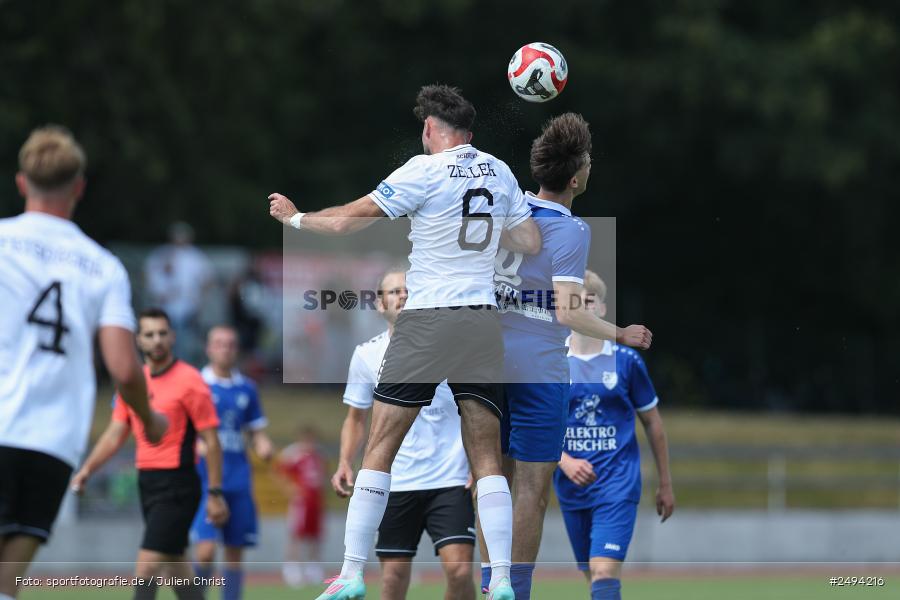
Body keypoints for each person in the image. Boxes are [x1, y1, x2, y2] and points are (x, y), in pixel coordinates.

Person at [268, 84, 541, 600]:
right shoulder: (500, 171)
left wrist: (296, 219)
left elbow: (346, 221)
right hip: (480, 321)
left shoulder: (423, 169)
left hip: (428, 319)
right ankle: (502, 578)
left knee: (380, 447)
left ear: (430, 129)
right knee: (486, 457)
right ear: (469, 133)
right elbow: (529, 240)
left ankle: (351, 574)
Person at [484, 113, 652, 599]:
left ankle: (488, 583)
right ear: (576, 179)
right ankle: (512, 591)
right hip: (538, 369)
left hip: (485, 359)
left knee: (493, 483)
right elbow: (569, 312)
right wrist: (622, 333)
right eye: (588, 161)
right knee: (530, 491)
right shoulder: (571, 229)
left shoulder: (509, 211)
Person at [0, 126, 166, 600]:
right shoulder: (102, 265)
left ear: (21, 182)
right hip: (52, 442)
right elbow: (124, 368)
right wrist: (149, 419)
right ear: (79, 187)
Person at [332, 268, 475, 600]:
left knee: (460, 571)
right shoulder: (366, 354)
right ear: (380, 304)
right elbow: (355, 418)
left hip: (450, 477)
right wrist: (344, 462)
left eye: (409, 290)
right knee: (393, 579)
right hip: (394, 481)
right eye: (394, 291)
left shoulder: (454, 349)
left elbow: (475, 411)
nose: (403, 295)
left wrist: (479, 463)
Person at [72, 308, 229, 600]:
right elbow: (115, 433)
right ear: (138, 340)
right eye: (149, 334)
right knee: (176, 568)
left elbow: (211, 440)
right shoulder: (133, 383)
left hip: (178, 485)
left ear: (172, 337)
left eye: (162, 333)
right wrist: (87, 470)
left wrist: (216, 492)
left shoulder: (190, 380)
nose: (157, 340)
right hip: (148, 483)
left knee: (147, 565)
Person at [554, 271, 675, 600]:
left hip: (617, 483)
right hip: (571, 486)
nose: (583, 307)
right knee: (592, 576)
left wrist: (665, 483)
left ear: (602, 309)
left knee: (603, 570)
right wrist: (564, 462)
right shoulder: (552, 361)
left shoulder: (626, 361)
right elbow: (538, 426)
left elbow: (653, 423)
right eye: (575, 301)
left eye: (589, 300)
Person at [191, 325, 274, 600]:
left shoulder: (247, 388)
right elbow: (183, 429)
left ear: (236, 350)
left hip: (238, 480)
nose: (225, 349)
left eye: (230, 344)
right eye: (219, 343)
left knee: (234, 552)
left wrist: (263, 445)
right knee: (205, 551)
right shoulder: (197, 384)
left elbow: (255, 431)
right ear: (208, 348)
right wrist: (195, 444)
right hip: (206, 481)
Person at [144, 221, 214, 362]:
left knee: (184, 341)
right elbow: (149, 277)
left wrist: (200, 301)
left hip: (188, 308)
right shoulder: (161, 255)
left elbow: (208, 280)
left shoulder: (196, 257)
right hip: (165, 306)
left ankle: (181, 364)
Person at [277, 426, 326, 587]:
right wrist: (290, 489)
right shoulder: (295, 456)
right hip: (300, 503)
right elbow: (280, 473)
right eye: (307, 440)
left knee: (315, 536)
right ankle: (292, 569)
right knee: (296, 535)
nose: (310, 443)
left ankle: (313, 569)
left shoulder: (317, 457)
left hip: (316, 503)